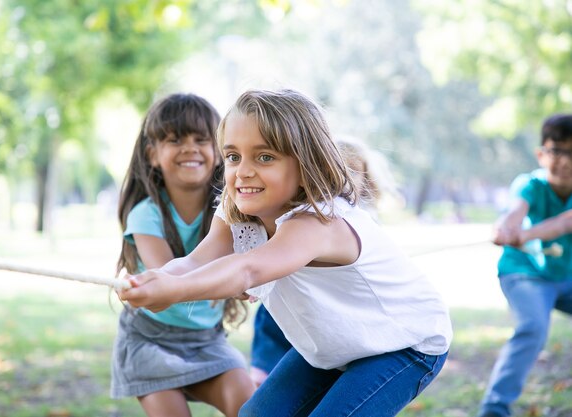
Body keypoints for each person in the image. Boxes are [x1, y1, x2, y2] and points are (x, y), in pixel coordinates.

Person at [119, 88, 452, 417]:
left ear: (307, 164)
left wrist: (174, 292)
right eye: (233, 156)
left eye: (264, 157)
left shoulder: (319, 223)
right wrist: (157, 278)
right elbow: (195, 261)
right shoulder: (237, 210)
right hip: (336, 346)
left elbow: (247, 269)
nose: (243, 171)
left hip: (404, 345)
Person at [110, 93, 255, 417]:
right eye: (175, 139)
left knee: (249, 404)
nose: (189, 147)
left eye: (201, 139)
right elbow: (167, 278)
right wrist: (229, 279)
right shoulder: (146, 214)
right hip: (151, 342)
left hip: (207, 341)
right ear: (153, 154)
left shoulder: (234, 209)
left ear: (219, 153)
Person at [248, 136, 399, 387]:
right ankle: (264, 371)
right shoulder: (304, 211)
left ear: (366, 177)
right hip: (291, 296)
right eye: (335, 169)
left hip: (331, 304)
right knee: (273, 325)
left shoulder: (362, 218)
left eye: (353, 171)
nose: (342, 178)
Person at [478, 114, 572, 417]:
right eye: (558, 151)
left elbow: (563, 223)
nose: (566, 161)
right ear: (542, 153)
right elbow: (516, 210)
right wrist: (505, 228)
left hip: (566, 276)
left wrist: (525, 234)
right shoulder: (530, 184)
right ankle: (494, 408)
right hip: (525, 274)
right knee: (532, 326)